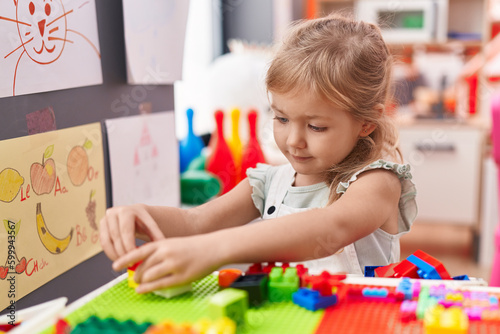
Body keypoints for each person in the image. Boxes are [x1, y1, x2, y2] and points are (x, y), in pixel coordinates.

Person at [100, 14, 417, 294]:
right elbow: (195, 222)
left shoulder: (378, 180)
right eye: (281, 118)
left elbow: (330, 230)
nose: (294, 140)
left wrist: (214, 250)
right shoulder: (268, 182)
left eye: (316, 127)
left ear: (365, 123)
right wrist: (138, 215)